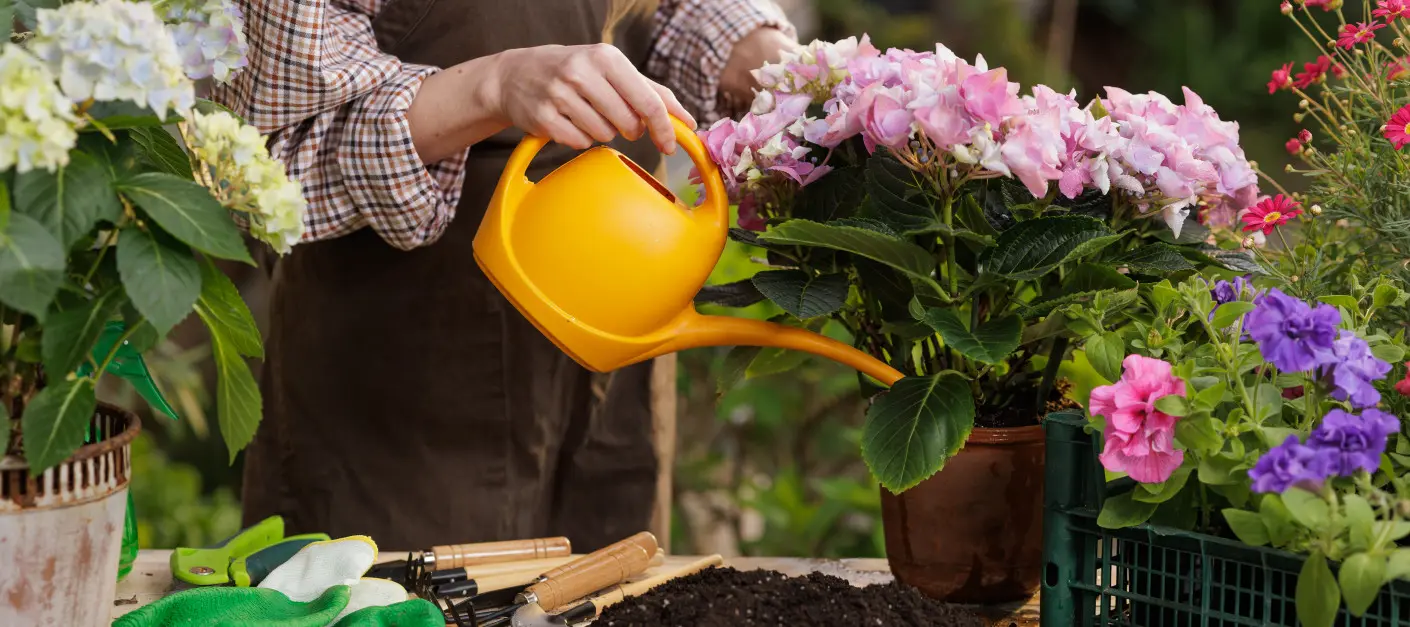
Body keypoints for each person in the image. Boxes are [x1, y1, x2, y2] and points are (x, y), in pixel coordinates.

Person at [213, 0, 797, 552]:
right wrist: (492, 87)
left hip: (618, 330)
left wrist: (771, 64)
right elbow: (264, 156)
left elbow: (658, 11)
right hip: (409, 374)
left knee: (613, 582)